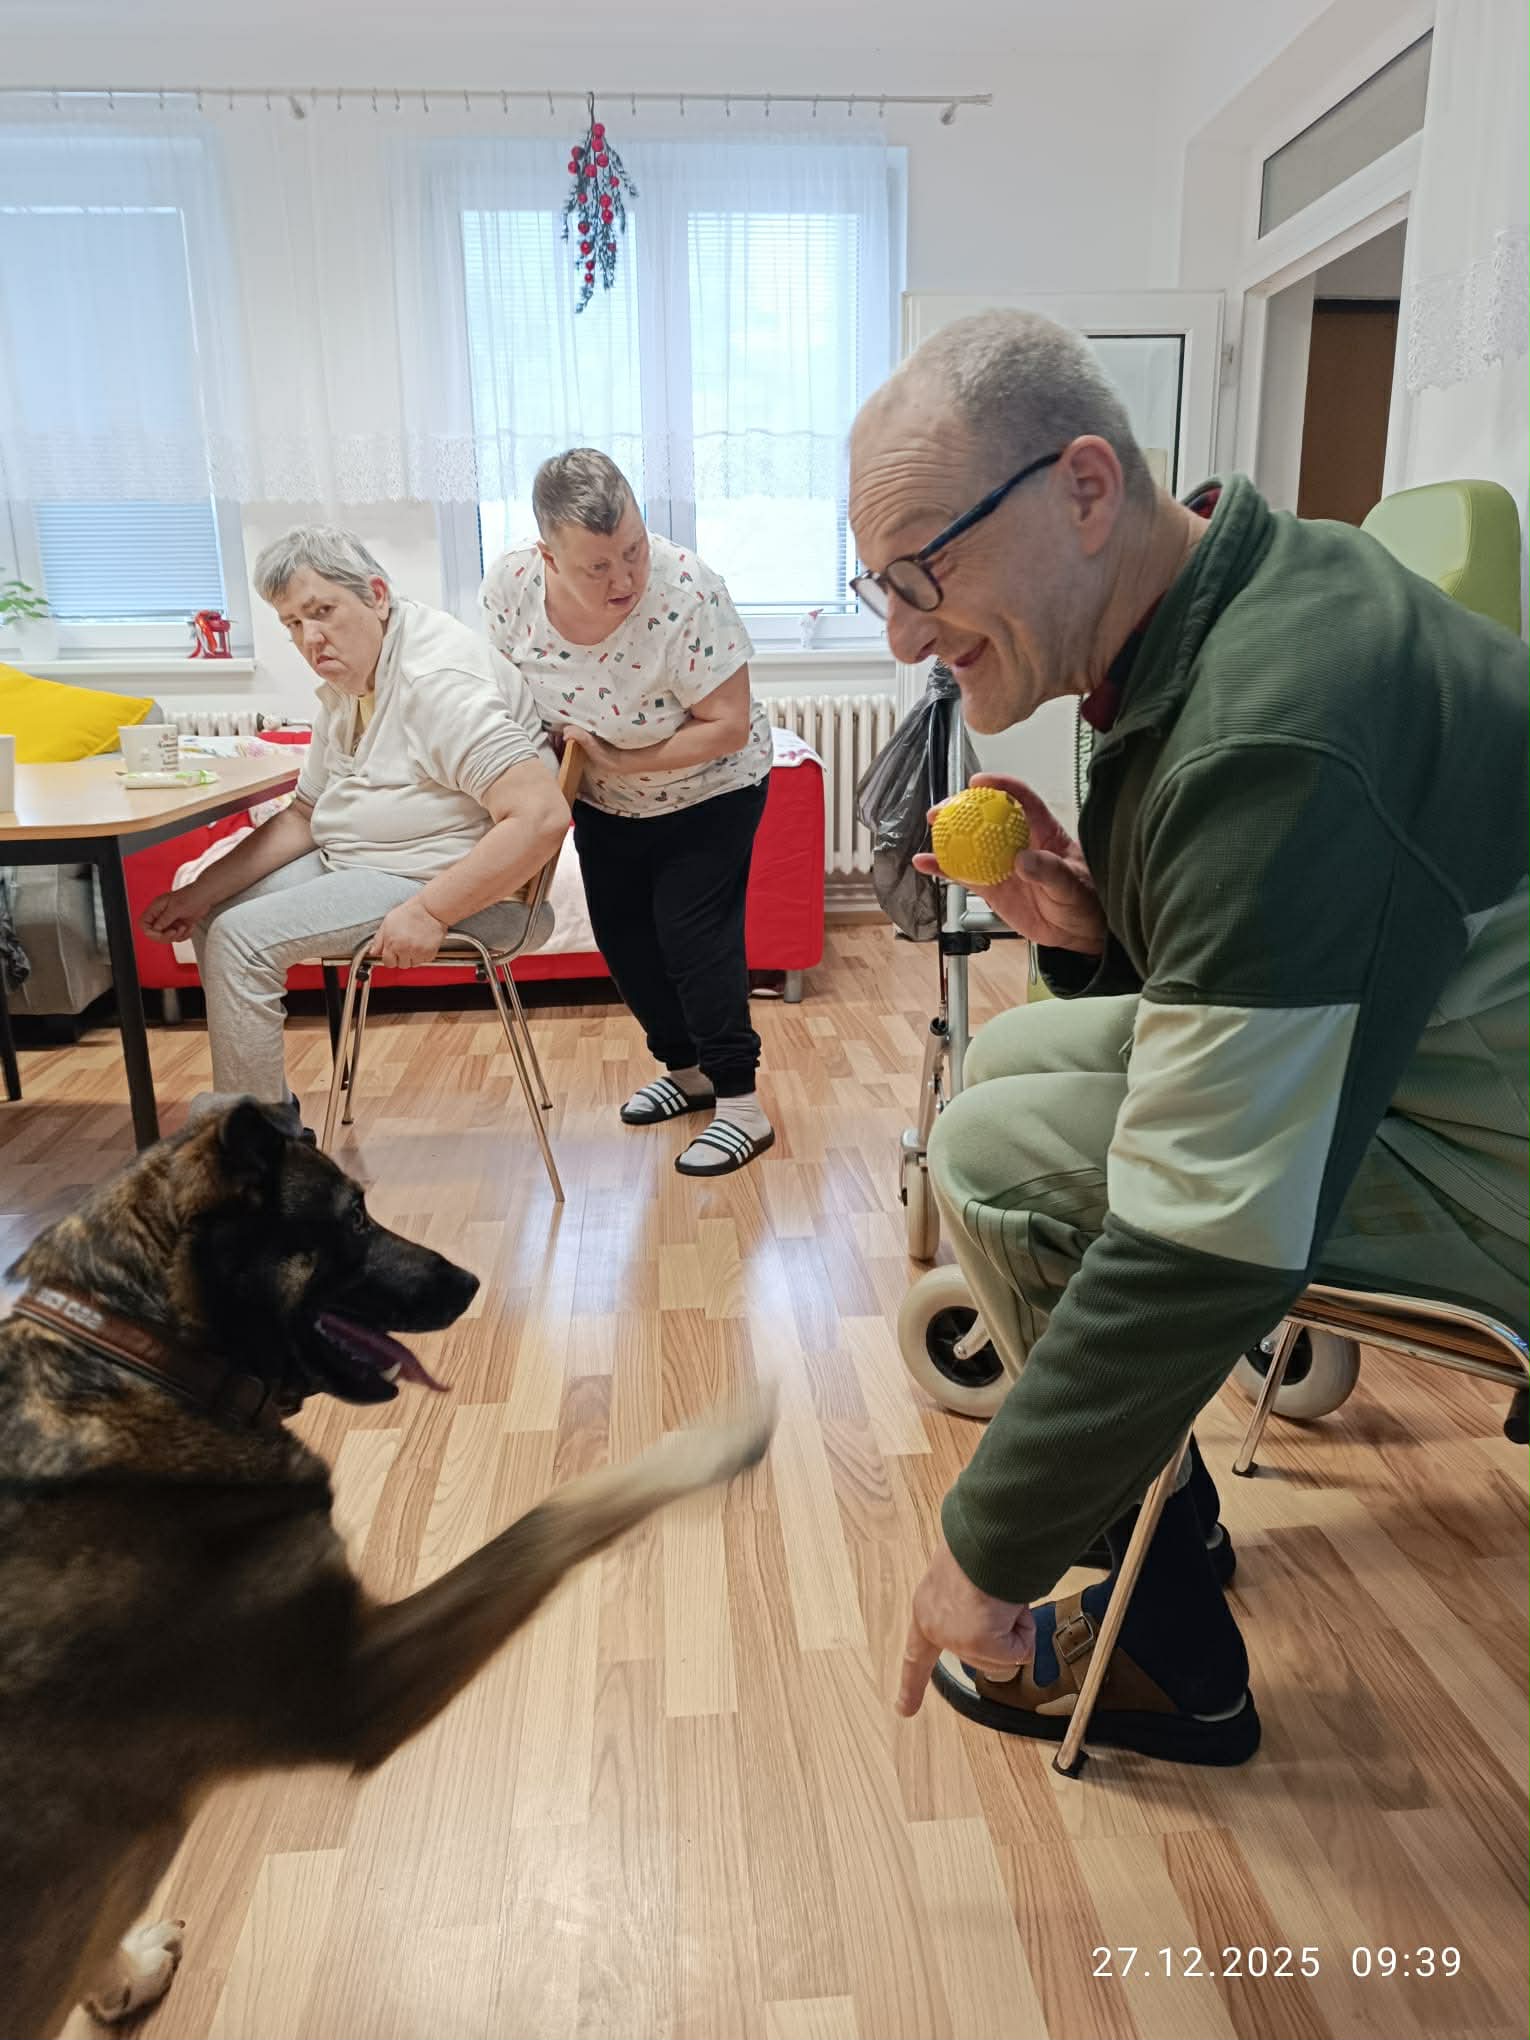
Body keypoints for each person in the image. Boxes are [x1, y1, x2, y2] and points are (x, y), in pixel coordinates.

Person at [848, 310, 1530, 1765]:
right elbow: (1282, 948)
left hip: (1503, 1158)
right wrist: (1094, 925)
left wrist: (987, 1542)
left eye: (922, 571)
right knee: (1006, 1073)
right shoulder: (1231, 595)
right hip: (1445, 1052)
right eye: (879, 589)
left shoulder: (1270, 730)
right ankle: (1168, 1511)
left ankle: (1168, 1653)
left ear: (1085, 489)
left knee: (1001, 1159)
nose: (902, 632)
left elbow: (1203, 1234)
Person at [141, 527, 569, 1123]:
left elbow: (541, 817)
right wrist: (198, 893)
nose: (309, 639)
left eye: (322, 612)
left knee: (243, 939)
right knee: (216, 918)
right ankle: (266, 1123)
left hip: (456, 887)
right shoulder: (352, 679)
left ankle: (253, 1151)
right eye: (292, 623)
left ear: (377, 596)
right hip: (372, 865)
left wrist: (430, 912)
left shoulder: (435, 682)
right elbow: (304, 815)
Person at [481, 449, 775, 1176]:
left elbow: (728, 726)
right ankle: (688, 1073)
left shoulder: (690, 592)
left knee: (693, 936)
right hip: (603, 798)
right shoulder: (511, 588)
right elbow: (500, 693)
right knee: (625, 940)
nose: (624, 580)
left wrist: (618, 758)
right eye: (598, 566)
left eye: (634, 551)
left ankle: (742, 1103)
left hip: (711, 788)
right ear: (548, 556)